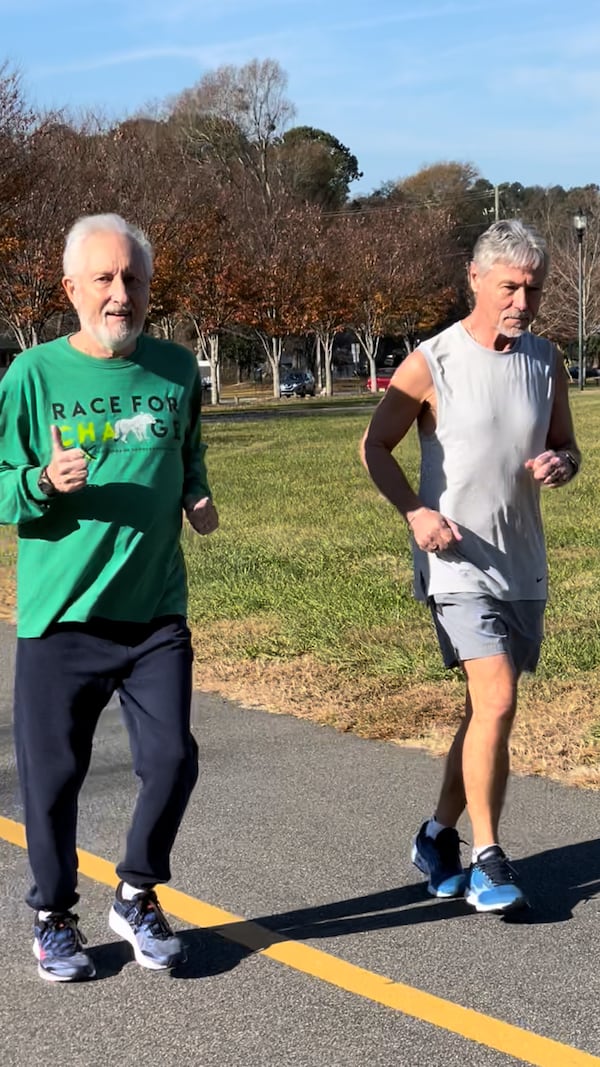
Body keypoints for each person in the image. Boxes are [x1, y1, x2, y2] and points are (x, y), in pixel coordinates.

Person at [0, 213, 219, 980]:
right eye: (104, 278)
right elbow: (0, 486)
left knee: (172, 759)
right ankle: (54, 916)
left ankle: (134, 891)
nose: (121, 293)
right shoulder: (31, 377)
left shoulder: (176, 369)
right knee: (54, 778)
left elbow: (188, 450)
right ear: (71, 289)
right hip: (61, 618)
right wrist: (38, 482)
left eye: (134, 279)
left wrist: (197, 494)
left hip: (155, 611)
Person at [361, 219, 580, 914]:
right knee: (499, 699)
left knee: (483, 712)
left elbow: (567, 445)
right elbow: (374, 445)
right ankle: (488, 858)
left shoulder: (546, 361)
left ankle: (437, 836)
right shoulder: (434, 360)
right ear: (477, 279)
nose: (523, 299)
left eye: (534, 288)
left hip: (522, 562)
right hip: (454, 561)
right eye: (511, 285)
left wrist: (562, 463)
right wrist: (416, 514)